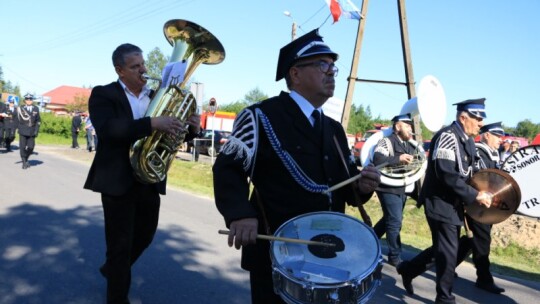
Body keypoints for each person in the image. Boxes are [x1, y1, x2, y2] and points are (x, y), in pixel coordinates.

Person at [213, 29, 381, 304]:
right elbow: (227, 168)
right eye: (322, 65)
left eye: (332, 67)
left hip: (329, 254)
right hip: (278, 254)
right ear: (295, 73)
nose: (331, 73)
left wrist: (362, 185)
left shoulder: (335, 129)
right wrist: (240, 214)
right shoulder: (260, 116)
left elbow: (345, 188)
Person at [83, 43, 200, 304]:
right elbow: (109, 129)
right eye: (135, 66)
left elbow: (174, 132)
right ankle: (117, 295)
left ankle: (114, 269)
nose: (143, 70)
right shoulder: (104, 94)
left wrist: (192, 128)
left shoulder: (159, 95)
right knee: (120, 246)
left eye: (143, 64)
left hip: (148, 180)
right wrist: (150, 123)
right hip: (117, 181)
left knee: (145, 236)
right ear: (120, 70)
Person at [397, 98, 492, 304]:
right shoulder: (447, 136)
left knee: (446, 249)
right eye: (477, 118)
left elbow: (471, 173)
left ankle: (408, 269)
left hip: (456, 202)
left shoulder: (467, 140)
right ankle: (445, 299)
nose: (481, 123)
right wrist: (475, 195)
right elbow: (446, 173)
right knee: (449, 253)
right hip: (439, 202)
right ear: (463, 117)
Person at [455, 121, 505, 293]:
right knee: (482, 241)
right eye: (497, 136)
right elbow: (480, 179)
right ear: (486, 135)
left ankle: (446, 265)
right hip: (476, 204)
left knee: (472, 241)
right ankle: (484, 279)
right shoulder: (478, 151)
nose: (501, 140)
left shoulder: (493, 154)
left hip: (487, 205)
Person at [372, 113, 417, 267]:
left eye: (411, 126)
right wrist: (398, 159)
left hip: (401, 187)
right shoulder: (386, 142)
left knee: (389, 220)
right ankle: (395, 257)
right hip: (387, 187)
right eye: (407, 125)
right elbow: (377, 160)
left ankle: (369, 240)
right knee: (395, 221)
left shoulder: (409, 144)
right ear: (398, 126)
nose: (410, 129)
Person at [16, 94, 41, 169]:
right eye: (27, 99)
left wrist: (36, 130)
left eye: (30, 99)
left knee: (31, 147)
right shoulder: (21, 108)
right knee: (22, 147)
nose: (29, 101)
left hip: (31, 131)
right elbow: (17, 119)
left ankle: (26, 158)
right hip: (23, 130)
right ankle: (24, 162)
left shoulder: (36, 108)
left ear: (32, 100)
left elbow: (38, 120)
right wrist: (16, 128)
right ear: (25, 100)